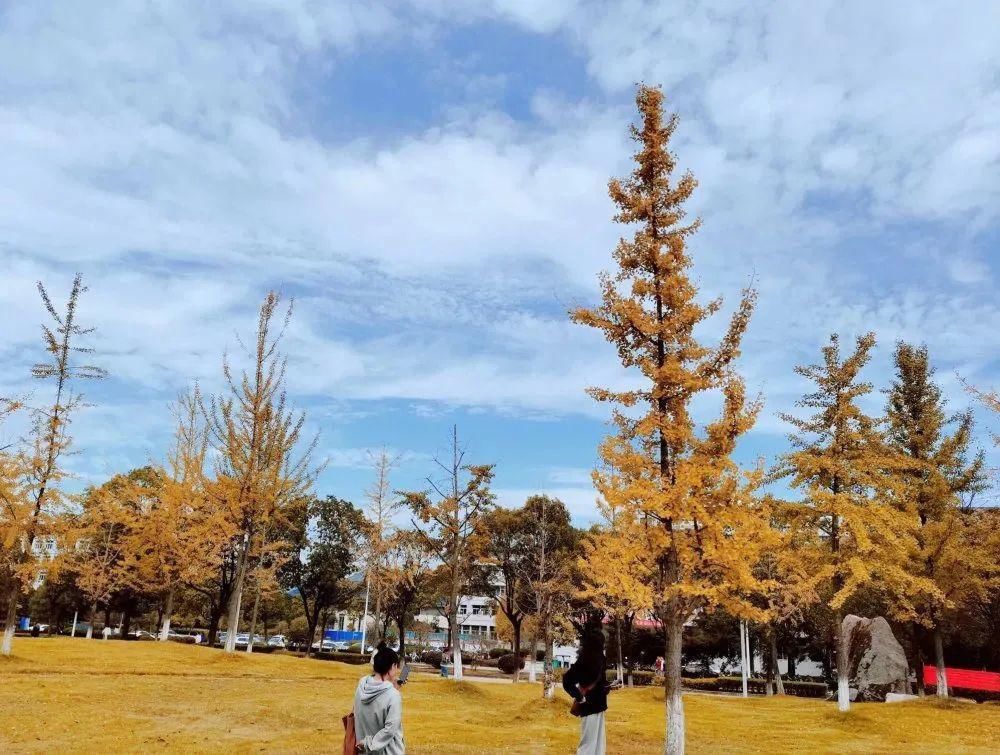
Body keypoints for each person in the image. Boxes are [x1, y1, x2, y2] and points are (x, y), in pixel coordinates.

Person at [562, 631, 610, 755]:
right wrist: (579, 697)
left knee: (597, 742)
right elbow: (567, 680)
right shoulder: (587, 660)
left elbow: (599, 682)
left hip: (597, 705)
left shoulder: (598, 658)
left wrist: (607, 687)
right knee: (590, 742)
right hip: (590, 706)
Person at [353, 642, 404, 754]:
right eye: (396, 667)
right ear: (393, 666)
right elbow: (390, 730)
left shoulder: (362, 685)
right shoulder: (393, 696)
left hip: (363, 750)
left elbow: (356, 713)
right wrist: (368, 744)